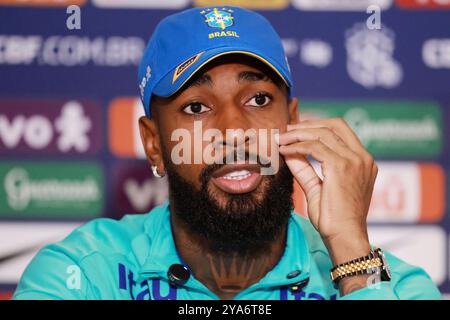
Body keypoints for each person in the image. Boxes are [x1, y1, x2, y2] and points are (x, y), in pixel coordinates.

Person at [13, 6, 441, 300]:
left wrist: (350, 254)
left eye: (257, 99)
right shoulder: (84, 277)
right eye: (196, 107)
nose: (234, 130)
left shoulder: (390, 284)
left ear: (292, 122)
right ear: (154, 144)